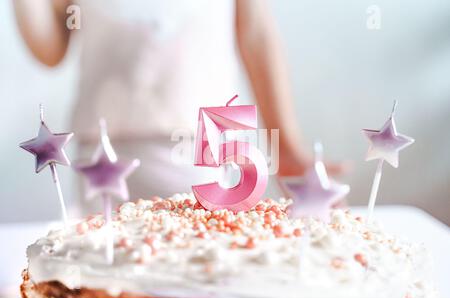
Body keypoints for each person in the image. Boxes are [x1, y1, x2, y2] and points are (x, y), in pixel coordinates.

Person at [14, 0, 345, 211]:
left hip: (205, 146)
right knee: (112, 275)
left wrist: (285, 146)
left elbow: (256, 34)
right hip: (105, 152)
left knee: (205, 271)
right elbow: (50, 48)